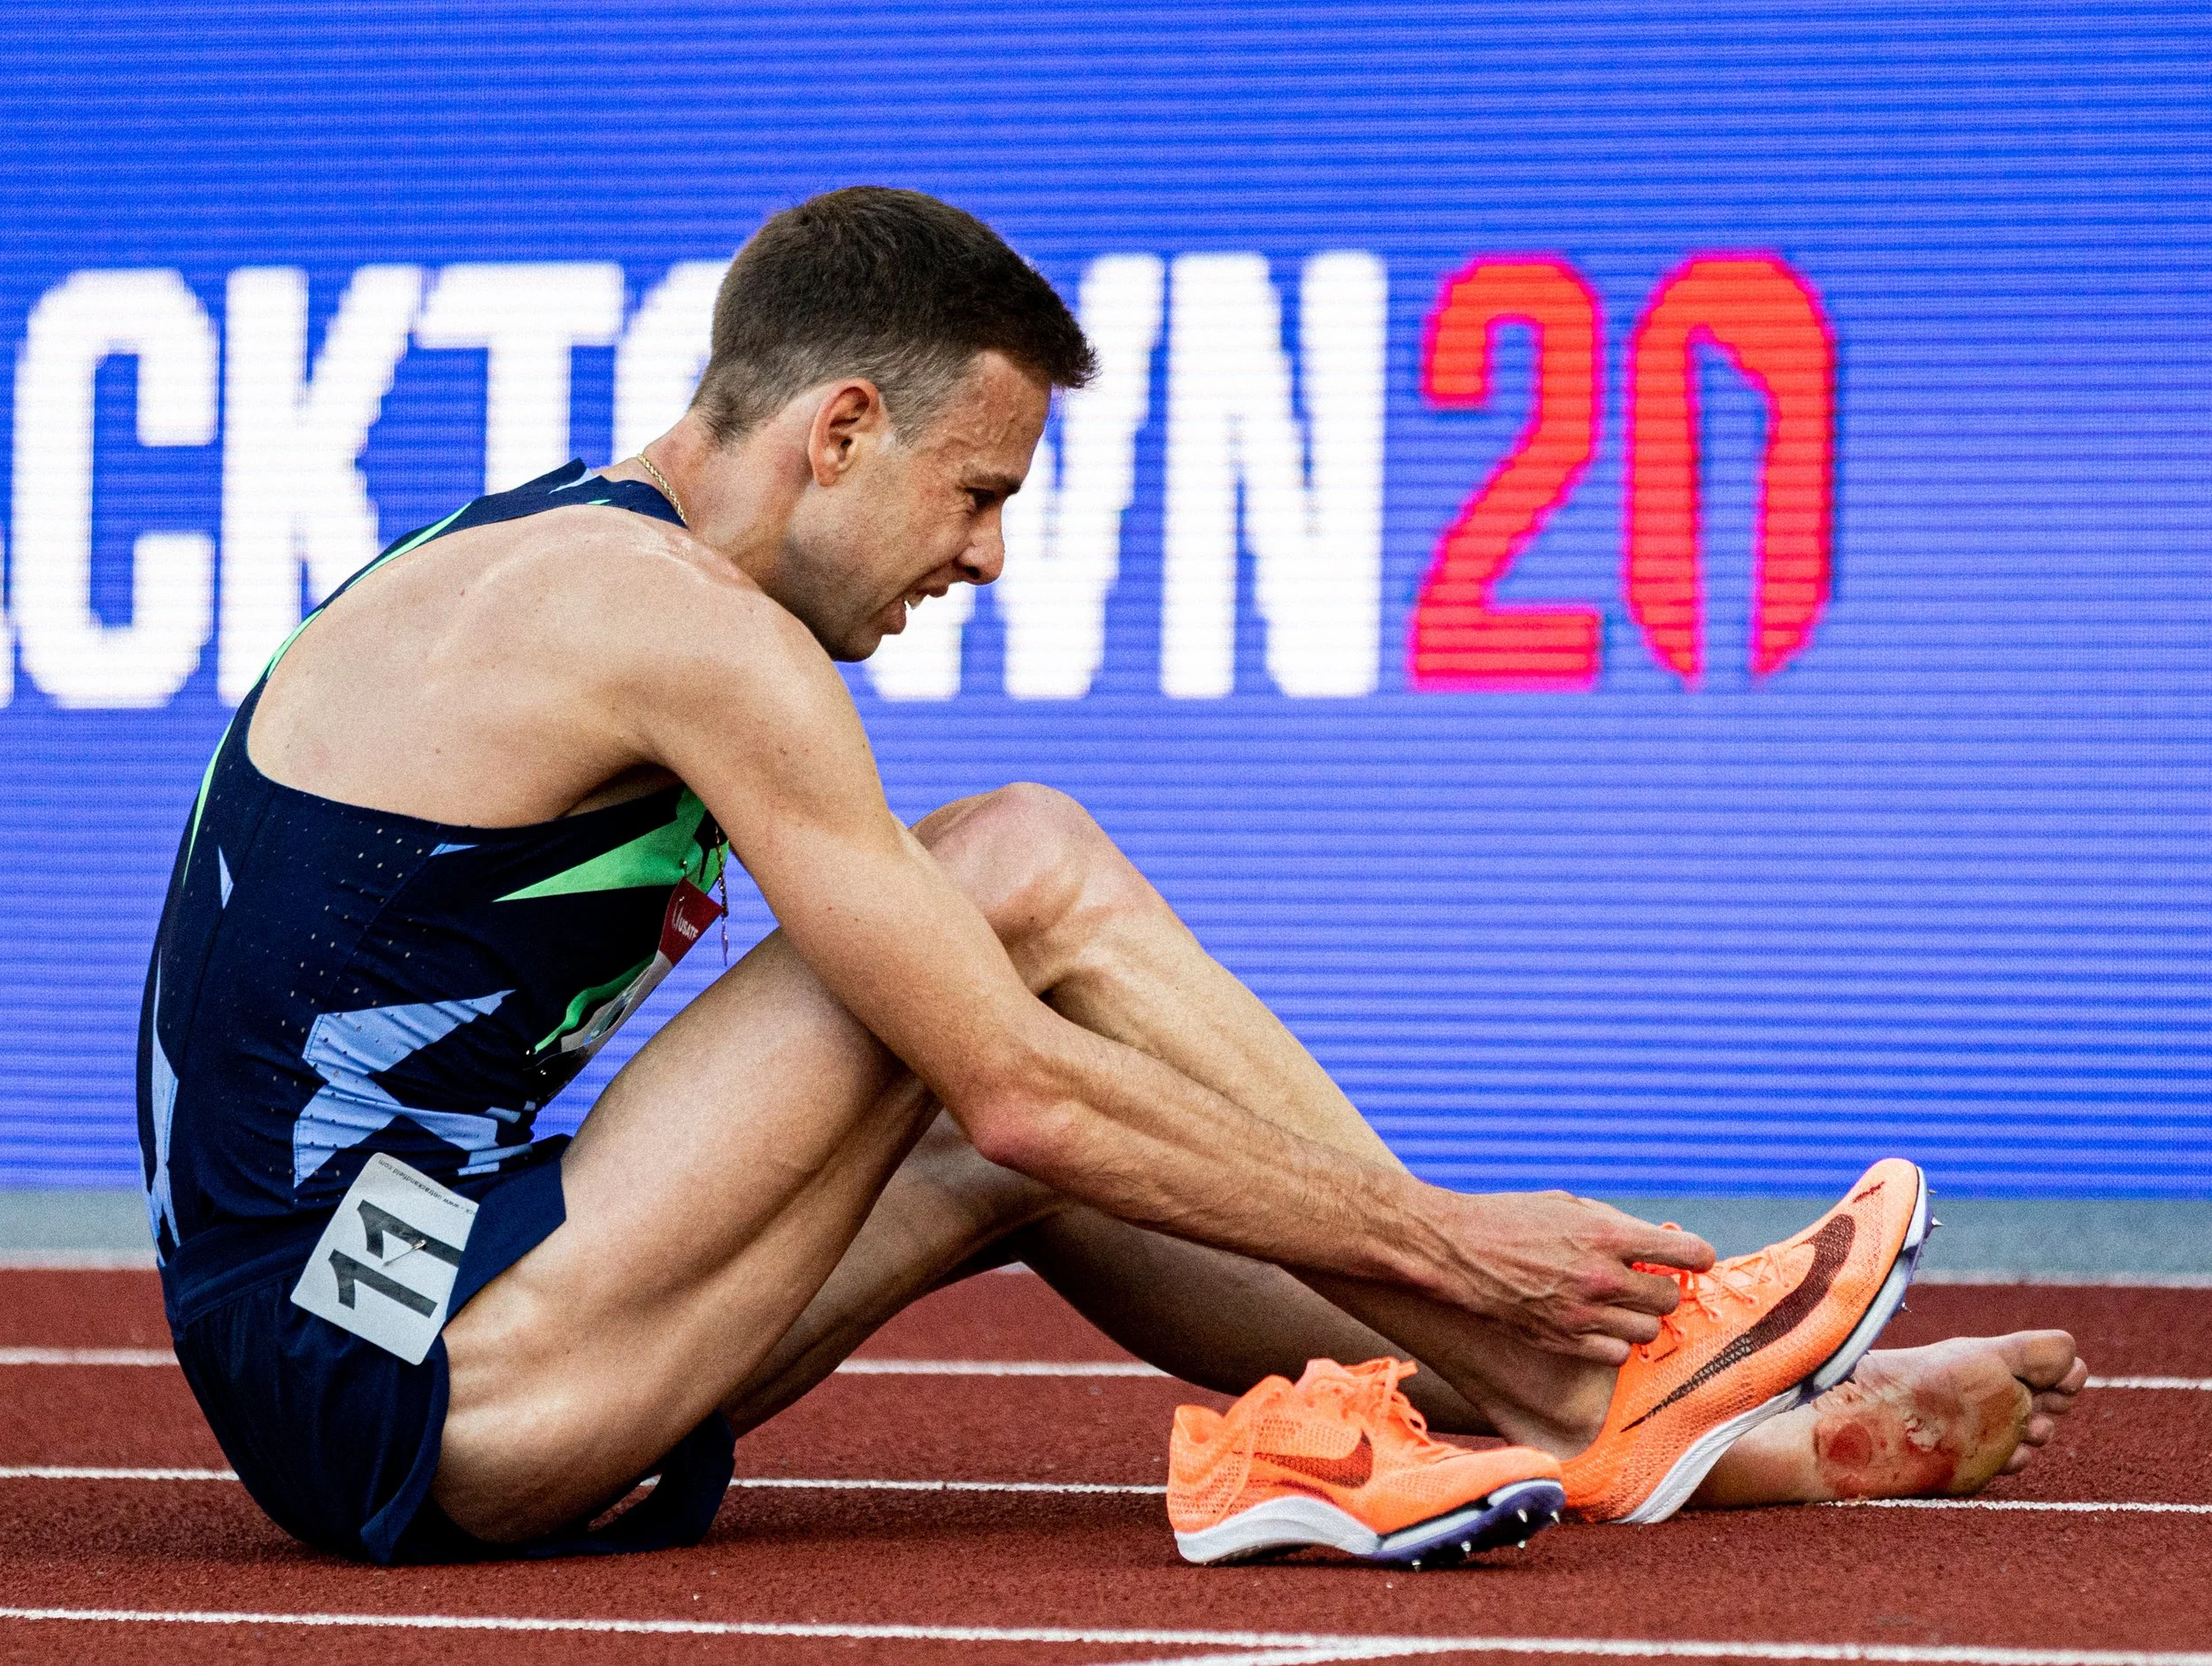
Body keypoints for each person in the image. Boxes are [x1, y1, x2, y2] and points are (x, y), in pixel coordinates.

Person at [137, 186, 2086, 1568]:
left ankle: (1670, 1430)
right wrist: (1446, 1237)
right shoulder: (678, 622)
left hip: (392, 1315)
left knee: (1013, 1134)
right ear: (841, 430)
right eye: (977, 491)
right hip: (388, 1356)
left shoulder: (568, 557)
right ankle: (1587, 1376)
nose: (986, 556)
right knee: (1019, 869)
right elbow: (1017, 1077)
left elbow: (1008, 1124)